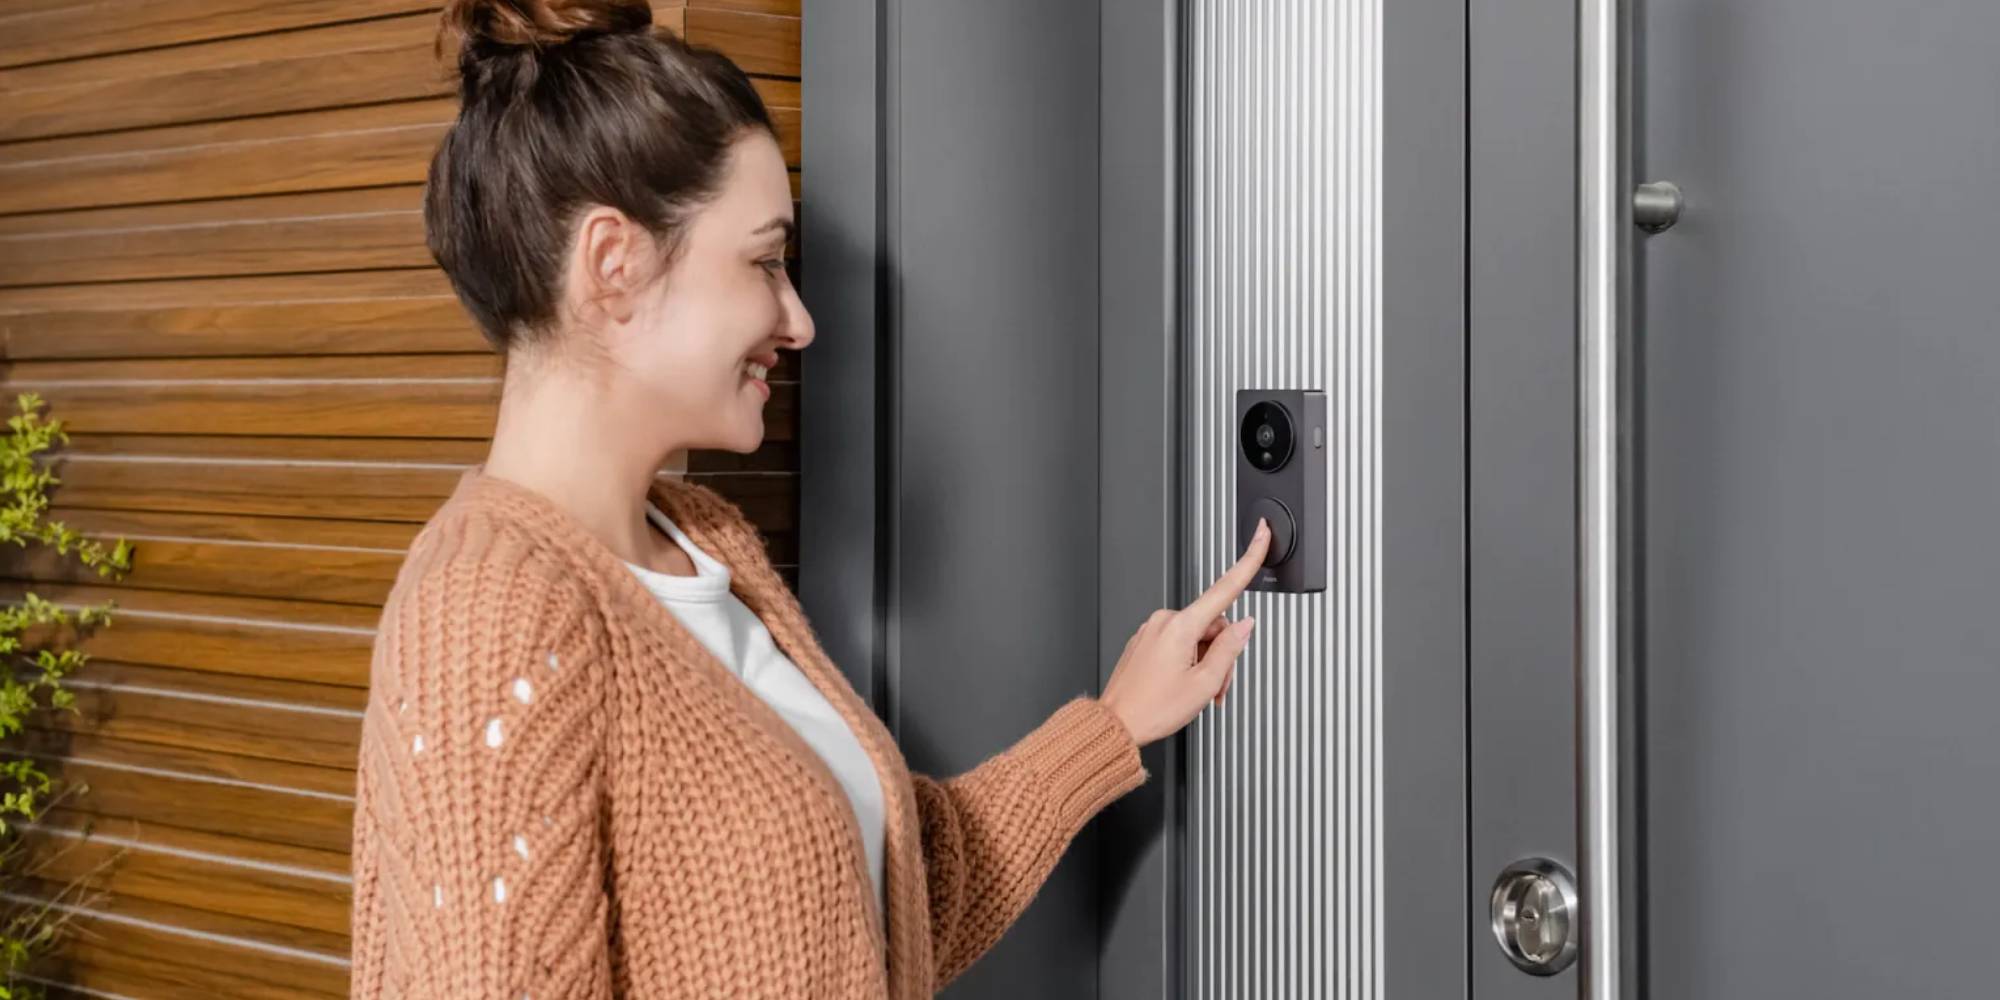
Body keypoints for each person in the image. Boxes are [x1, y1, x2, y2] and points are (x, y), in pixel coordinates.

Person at [347, 1, 1272, 996]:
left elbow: (888, 903)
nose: (796, 319)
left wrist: (1115, 722)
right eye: (761, 261)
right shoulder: (492, 610)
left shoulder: (704, 544)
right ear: (613, 264)